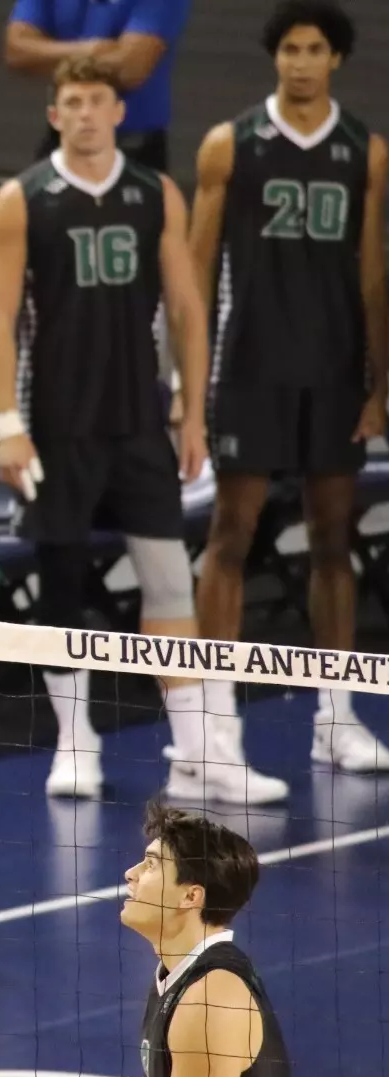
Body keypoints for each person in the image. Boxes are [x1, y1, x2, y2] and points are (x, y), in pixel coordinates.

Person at [0, 56, 287, 807]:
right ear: (55, 115)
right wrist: (7, 426)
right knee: (64, 582)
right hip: (56, 426)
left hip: (138, 424)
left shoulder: (156, 195)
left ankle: (199, 752)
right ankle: (74, 741)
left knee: (168, 580)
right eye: (72, 101)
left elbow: (185, 304)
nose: (86, 112)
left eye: (99, 100)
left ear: (121, 112)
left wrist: (191, 403)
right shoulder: (22, 201)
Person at [189, 1, 389, 775]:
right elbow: (196, 270)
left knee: (334, 539)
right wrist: (188, 381)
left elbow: (373, 273)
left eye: (315, 49)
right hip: (250, 367)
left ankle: (333, 716)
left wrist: (378, 381)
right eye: (290, 50)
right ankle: (211, 724)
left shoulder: (366, 153)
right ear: (275, 58)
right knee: (230, 535)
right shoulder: (229, 145)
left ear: (336, 58)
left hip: (334, 370)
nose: (300, 62)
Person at [17, 802, 295, 1077]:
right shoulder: (180, 973)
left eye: (151, 865)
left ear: (190, 897)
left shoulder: (210, 998)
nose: (130, 874)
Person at [4, 0, 190, 174]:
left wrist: (51, 54)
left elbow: (129, 69)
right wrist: (93, 49)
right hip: (63, 140)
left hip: (134, 148)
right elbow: (17, 51)